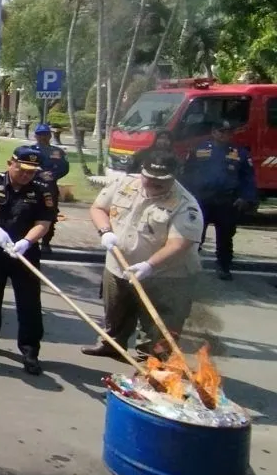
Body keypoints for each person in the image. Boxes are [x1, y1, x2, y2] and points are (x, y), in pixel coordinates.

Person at [83, 153, 203, 361]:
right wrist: (105, 231)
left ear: (174, 177)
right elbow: (98, 207)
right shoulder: (124, 184)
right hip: (118, 265)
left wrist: (149, 265)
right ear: (142, 172)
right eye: (150, 177)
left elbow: (179, 243)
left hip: (166, 274)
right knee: (116, 310)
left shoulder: (185, 204)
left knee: (160, 322)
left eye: (162, 180)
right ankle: (112, 344)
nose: (154, 182)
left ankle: (152, 361)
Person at [0, 146, 57, 375]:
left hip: (24, 252)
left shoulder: (41, 189)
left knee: (29, 303)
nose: (27, 175)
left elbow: (44, 222)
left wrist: (26, 241)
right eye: (22, 170)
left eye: (31, 171)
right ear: (11, 163)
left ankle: (29, 351)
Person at [181, 120, 257, 280]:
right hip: (202, 199)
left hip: (227, 201)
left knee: (225, 236)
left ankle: (224, 266)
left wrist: (246, 197)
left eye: (229, 132)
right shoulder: (199, 149)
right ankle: (188, 265)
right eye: (221, 131)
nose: (225, 135)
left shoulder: (240, 153)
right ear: (214, 132)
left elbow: (248, 178)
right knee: (195, 233)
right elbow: (188, 173)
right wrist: (187, 196)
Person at [27, 123, 68, 256]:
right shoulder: (30, 151)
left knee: (50, 213)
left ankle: (45, 242)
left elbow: (64, 168)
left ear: (50, 136)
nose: (43, 137)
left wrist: (53, 175)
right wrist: (38, 174)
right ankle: (29, 240)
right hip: (32, 185)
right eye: (40, 134)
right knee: (28, 212)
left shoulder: (57, 152)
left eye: (45, 134)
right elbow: (24, 166)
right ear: (35, 136)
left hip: (49, 187)